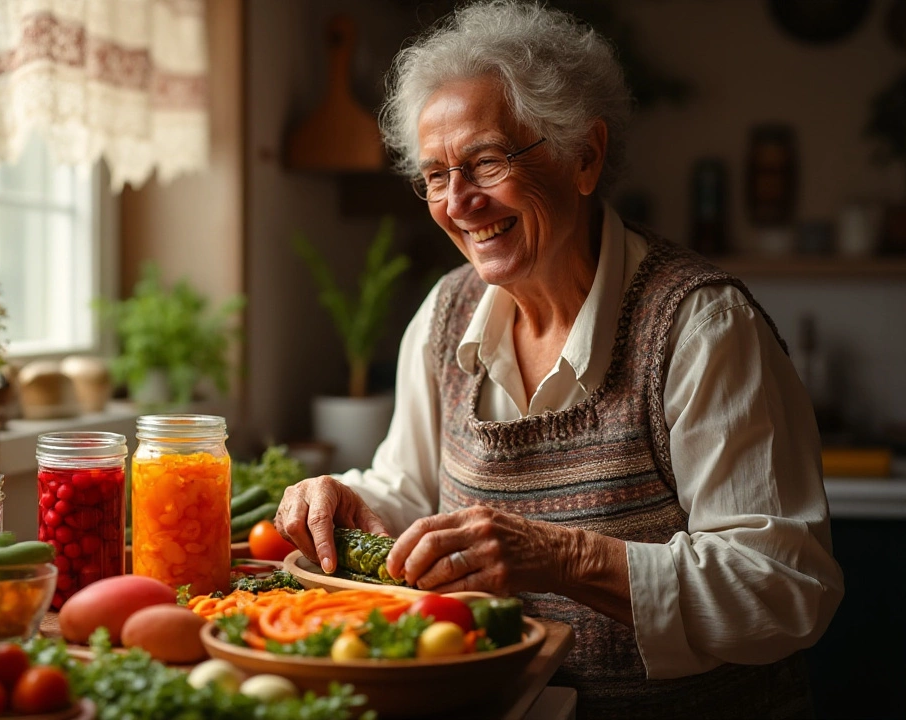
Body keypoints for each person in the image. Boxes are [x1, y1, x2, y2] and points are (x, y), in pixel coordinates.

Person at [274, 2, 843, 717]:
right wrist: (355, 501)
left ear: (585, 156)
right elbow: (409, 489)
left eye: (485, 161)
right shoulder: (444, 316)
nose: (460, 203)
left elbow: (783, 590)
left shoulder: (702, 328)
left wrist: (563, 557)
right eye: (436, 176)